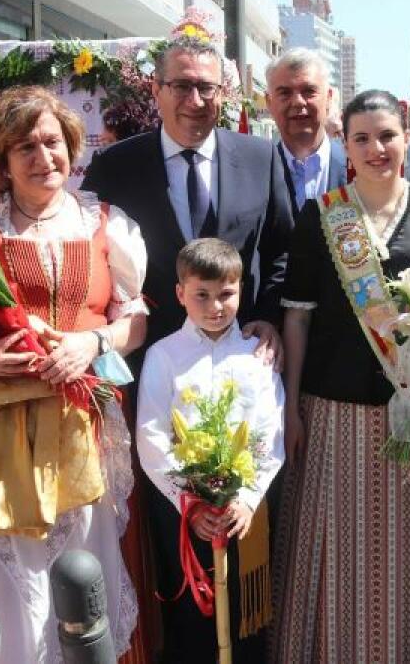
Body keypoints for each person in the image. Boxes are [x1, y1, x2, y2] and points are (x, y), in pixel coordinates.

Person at [0, 86, 148, 662]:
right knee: (4, 565)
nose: (45, 157)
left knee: (83, 559)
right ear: (1, 159)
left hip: (80, 418)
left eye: (54, 142)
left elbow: (134, 319)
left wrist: (89, 342)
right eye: (26, 146)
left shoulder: (106, 223)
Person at [272, 90, 410, 662]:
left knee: (407, 556)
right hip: (331, 416)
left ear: (406, 137)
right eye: (361, 138)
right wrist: (291, 408)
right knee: (336, 554)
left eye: (386, 135)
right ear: (345, 146)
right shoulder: (322, 217)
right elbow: (298, 318)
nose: (376, 149)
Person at [82, 35, 293, 376]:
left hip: (242, 355)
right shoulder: (115, 166)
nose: (195, 101)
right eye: (181, 86)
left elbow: (281, 250)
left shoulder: (262, 159)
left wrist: (268, 318)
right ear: (156, 89)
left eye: (206, 88)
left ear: (222, 94)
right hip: (148, 361)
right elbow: (90, 256)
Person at [136, 238, 284, 663]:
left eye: (226, 294)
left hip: (243, 513)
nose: (215, 306)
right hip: (186, 513)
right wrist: (192, 504)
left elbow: (269, 433)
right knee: (191, 617)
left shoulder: (256, 356)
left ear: (241, 291)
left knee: (245, 614)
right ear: (181, 294)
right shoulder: (164, 356)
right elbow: (151, 434)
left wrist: (247, 498)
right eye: (202, 294)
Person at [266, 48, 349, 213]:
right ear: (269, 102)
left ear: (329, 98)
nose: (297, 102)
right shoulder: (255, 172)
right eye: (285, 93)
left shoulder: (356, 168)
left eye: (309, 91)